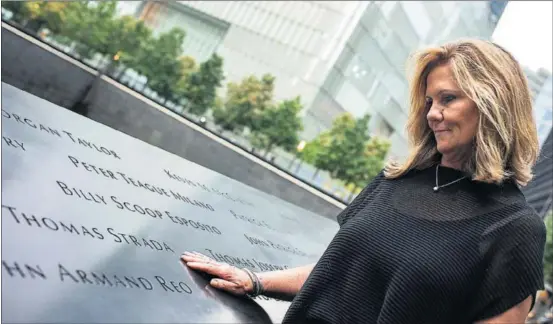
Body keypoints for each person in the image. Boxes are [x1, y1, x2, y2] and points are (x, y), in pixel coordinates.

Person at [181, 39, 547, 324]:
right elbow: (341, 271)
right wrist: (255, 281)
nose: (433, 113)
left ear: (493, 103)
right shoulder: (396, 179)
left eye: (448, 99)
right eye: (430, 100)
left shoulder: (515, 228)